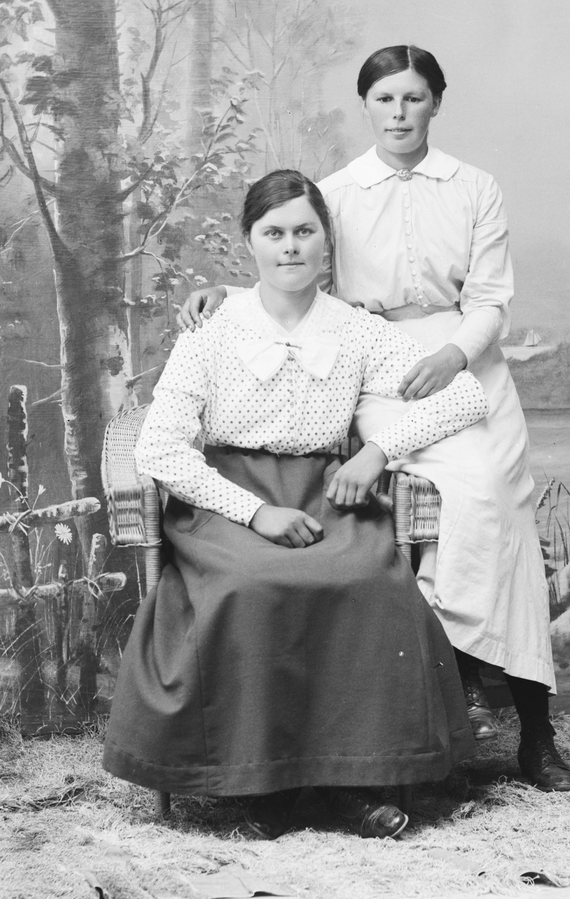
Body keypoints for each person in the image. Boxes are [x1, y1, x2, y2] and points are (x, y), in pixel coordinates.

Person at [179, 45, 570, 792]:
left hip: (464, 360)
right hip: (375, 365)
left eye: (413, 98)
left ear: (436, 103)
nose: (399, 113)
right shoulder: (337, 191)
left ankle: (534, 730)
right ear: (366, 106)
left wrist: (454, 356)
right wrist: (221, 294)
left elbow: (490, 300)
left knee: (496, 501)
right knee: (422, 509)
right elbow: (295, 267)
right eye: (384, 99)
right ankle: (440, 699)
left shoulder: (474, 187)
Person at [103, 169, 486, 840]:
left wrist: (376, 453)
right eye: (273, 232)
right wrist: (255, 514)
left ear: (325, 242)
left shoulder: (356, 330)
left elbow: (465, 395)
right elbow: (160, 449)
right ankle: (264, 785)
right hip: (225, 500)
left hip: (324, 492)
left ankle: (350, 784)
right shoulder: (212, 328)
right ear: (249, 242)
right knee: (251, 585)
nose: (289, 246)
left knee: (368, 581)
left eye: (304, 231)